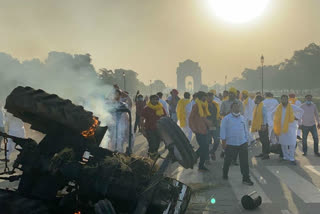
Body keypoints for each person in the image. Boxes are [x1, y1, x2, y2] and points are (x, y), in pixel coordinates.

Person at [220, 102, 254, 186]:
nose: (236, 108)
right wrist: (223, 142)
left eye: (238, 107)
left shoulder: (242, 118)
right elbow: (223, 130)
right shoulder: (226, 119)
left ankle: (246, 178)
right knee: (227, 160)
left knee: (244, 162)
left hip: (242, 143)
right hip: (231, 143)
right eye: (235, 107)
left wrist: (247, 140)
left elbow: (245, 130)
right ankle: (225, 174)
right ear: (231, 109)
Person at [272, 95, 304, 164]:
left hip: (291, 128)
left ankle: (292, 158)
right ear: (281, 100)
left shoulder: (292, 106)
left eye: (285, 99)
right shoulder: (278, 107)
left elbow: (301, 111)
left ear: (287, 100)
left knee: (292, 143)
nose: (284, 101)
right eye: (282, 99)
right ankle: (285, 157)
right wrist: (275, 121)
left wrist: (297, 117)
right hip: (281, 128)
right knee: (283, 143)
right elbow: (272, 113)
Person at [189, 91, 211, 171]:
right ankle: (196, 161)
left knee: (204, 148)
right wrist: (193, 128)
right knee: (204, 148)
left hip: (204, 129)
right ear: (202, 97)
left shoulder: (204, 105)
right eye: (205, 96)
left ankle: (196, 161)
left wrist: (209, 124)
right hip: (198, 130)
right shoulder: (196, 106)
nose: (206, 98)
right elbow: (191, 118)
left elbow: (204, 118)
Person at [141, 95, 167, 159]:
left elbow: (165, 118)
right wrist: (142, 130)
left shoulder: (161, 108)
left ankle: (153, 154)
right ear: (150, 100)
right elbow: (141, 119)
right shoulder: (146, 108)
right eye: (153, 99)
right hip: (149, 129)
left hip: (159, 129)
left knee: (157, 143)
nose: (155, 101)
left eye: (156, 99)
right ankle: (151, 157)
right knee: (152, 143)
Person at [252, 95, 270, 159]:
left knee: (265, 140)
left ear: (259, 99)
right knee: (262, 140)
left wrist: (264, 125)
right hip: (260, 125)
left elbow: (265, 116)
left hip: (263, 125)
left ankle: (266, 154)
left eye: (255, 99)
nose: (254, 100)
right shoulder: (257, 106)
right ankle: (263, 152)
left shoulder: (263, 106)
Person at [207, 92, 221, 160]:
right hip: (207, 126)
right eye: (209, 97)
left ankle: (212, 152)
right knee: (208, 142)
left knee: (217, 140)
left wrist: (219, 118)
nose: (210, 98)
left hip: (215, 125)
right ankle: (207, 158)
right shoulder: (203, 105)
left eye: (211, 97)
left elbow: (218, 113)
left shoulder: (215, 105)